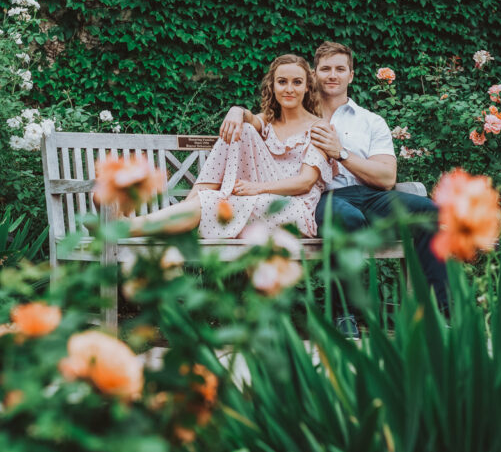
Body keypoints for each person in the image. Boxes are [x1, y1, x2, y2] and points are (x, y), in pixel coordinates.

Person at [305, 41, 449, 318]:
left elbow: (386, 177)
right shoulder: (300, 116)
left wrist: (341, 153)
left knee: (429, 212)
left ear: (351, 75)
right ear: (314, 74)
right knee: (347, 219)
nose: (332, 75)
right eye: (325, 69)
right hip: (325, 199)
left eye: (339, 69)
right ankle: (344, 314)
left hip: (372, 196)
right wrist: (239, 112)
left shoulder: (371, 122)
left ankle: (438, 313)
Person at [125, 54, 336, 238]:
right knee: (242, 129)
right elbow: (249, 119)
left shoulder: (319, 128)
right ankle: (153, 219)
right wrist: (236, 110)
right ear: (272, 86)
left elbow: (305, 183)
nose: (289, 89)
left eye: (297, 82)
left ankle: (132, 226)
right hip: (258, 197)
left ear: (308, 87)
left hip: (293, 209)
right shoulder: (268, 122)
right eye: (282, 82)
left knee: (220, 203)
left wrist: (256, 188)